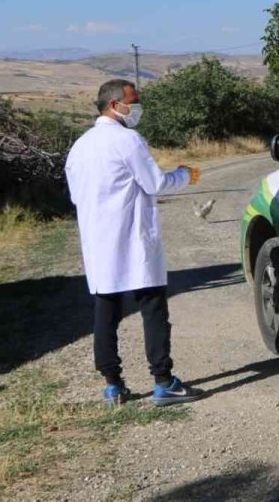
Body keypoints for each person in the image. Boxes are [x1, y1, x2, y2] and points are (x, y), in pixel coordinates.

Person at [65, 79, 204, 407]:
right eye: (134, 101)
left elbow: (75, 196)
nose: (137, 107)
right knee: (153, 308)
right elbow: (155, 182)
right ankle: (163, 381)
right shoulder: (127, 140)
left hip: (99, 244)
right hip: (133, 240)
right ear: (114, 105)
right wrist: (184, 175)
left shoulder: (79, 147)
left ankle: (112, 385)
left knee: (106, 312)